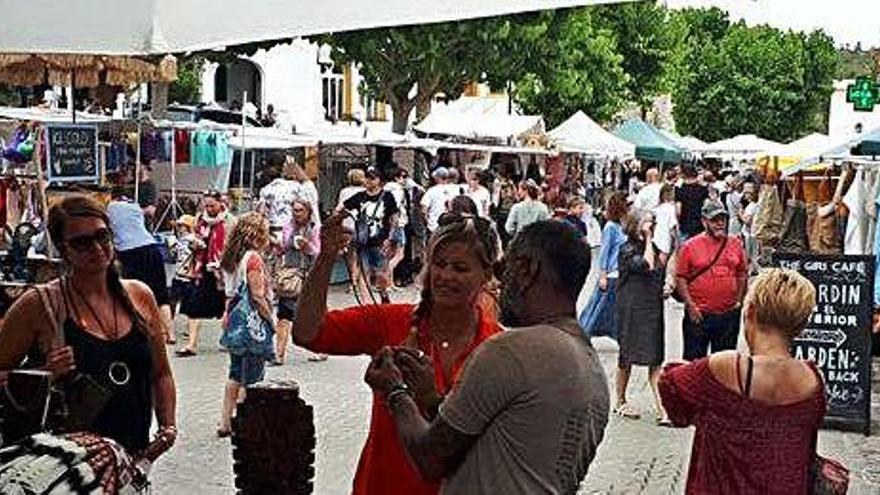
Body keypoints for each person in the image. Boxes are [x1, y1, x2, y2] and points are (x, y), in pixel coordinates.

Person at [364, 220, 609, 494]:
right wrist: (432, 400)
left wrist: (396, 391)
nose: (497, 281)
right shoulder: (593, 369)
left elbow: (431, 459)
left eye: (504, 268)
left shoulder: (510, 350)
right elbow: (491, 440)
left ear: (527, 269)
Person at [294, 211, 502, 495]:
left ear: (486, 275)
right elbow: (307, 333)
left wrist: (421, 397)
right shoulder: (392, 323)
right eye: (439, 264)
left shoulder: (498, 348)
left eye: (461, 268)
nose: (446, 276)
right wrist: (326, 257)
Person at [0, 194, 177, 470]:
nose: (96, 248)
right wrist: (43, 372)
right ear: (63, 248)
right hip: (64, 471)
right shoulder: (40, 305)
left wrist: (168, 426)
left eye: (102, 236)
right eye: (82, 243)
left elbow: (161, 373)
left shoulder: (139, 297)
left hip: (132, 463)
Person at [660, 268, 825, 494]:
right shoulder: (813, 381)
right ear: (800, 326)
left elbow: (670, 386)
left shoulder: (726, 368)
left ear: (751, 313)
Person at [217, 213, 275, 437]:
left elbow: (231, 292)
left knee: (235, 372)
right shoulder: (254, 259)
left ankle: (225, 421)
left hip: (235, 319)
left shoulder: (232, 256)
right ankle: (245, 420)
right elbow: (257, 295)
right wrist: (270, 319)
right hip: (253, 323)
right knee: (252, 375)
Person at [615, 209, 668, 423]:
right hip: (632, 308)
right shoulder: (627, 249)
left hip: (651, 308)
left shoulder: (653, 248)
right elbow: (644, 265)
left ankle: (663, 409)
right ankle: (620, 400)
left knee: (655, 358)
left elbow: (657, 271)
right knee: (626, 355)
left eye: (652, 222)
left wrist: (665, 286)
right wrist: (647, 239)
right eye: (647, 222)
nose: (651, 226)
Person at [676, 202, 748, 360]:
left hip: (728, 315)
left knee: (724, 364)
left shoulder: (736, 244)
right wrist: (690, 305)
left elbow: (742, 273)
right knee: (695, 364)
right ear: (704, 222)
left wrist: (739, 302)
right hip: (699, 315)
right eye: (715, 220)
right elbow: (681, 277)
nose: (720, 224)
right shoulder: (690, 246)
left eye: (723, 219)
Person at [107, 190, 173, 344]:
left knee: (134, 293)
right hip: (151, 247)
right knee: (161, 294)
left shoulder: (108, 209)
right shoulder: (135, 207)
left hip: (128, 252)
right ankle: (169, 334)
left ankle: (142, 330)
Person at [177, 191, 231, 357]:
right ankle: (191, 344)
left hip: (221, 270)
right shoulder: (200, 220)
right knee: (195, 305)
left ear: (220, 203)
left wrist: (224, 260)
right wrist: (194, 244)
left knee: (227, 306)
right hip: (202, 268)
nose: (209, 209)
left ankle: (228, 338)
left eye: (212, 205)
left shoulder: (229, 221)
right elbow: (196, 237)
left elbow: (232, 245)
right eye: (206, 205)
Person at [274, 199, 323, 365]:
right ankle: (279, 353)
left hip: (308, 276)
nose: (297, 214)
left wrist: (307, 246)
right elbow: (282, 248)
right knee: (283, 315)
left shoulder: (315, 228)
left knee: (308, 316)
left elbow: (318, 253)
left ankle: (319, 348)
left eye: (300, 210)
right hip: (291, 274)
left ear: (308, 212)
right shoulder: (289, 226)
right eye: (294, 210)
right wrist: (281, 243)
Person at [342, 167, 400, 304]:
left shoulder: (387, 196)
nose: (368, 180)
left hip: (380, 242)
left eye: (372, 178)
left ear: (380, 181)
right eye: (367, 177)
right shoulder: (360, 196)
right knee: (364, 273)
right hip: (363, 241)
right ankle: (367, 304)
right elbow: (342, 208)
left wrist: (390, 238)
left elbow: (394, 218)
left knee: (381, 273)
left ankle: (384, 295)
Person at [580, 192, 628, 340]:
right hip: (611, 273)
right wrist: (602, 274)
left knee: (613, 309)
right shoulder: (610, 227)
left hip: (622, 273)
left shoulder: (623, 227)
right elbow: (604, 251)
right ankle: (584, 333)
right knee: (598, 307)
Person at [259, 153, 306, 234]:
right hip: (292, 231)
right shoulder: (296, 187)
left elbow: (261, 213)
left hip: (273, 231)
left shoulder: (265, 190)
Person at [420, 167, 460, 234]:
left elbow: (424, 210)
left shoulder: (431, 191)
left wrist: (427, 222)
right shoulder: (456, 189)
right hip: (452, 226)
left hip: (434, 227)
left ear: (437, 178)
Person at [676, 164, 709, 241]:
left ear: (683, 174)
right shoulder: (703, 189)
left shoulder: (679, 190)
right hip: (699, 225)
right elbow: (706, 207)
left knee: (684, 250)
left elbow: (678, 211)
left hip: (684, 225)